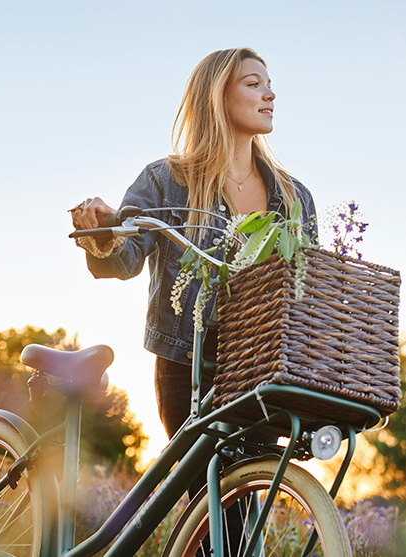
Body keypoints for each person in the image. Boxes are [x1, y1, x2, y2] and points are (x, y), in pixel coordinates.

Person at [70, 47, 318, 489]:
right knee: (213, 504)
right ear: (218, 97)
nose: (270, 94)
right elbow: (125, 259)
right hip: (187, 364)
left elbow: (307, 285)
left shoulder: (292, 195)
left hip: (261, 368)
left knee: (246, 503)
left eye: (269, 83)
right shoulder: (167, 180)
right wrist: (102, 232)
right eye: (254, 83)